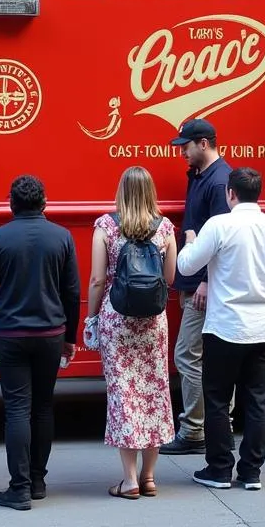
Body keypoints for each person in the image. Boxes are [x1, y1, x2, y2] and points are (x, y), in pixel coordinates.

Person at [0, 175, 80, 510]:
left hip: (11, 335)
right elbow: (72, 292)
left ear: (11, 204)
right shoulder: (62, 237)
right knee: (43, 407)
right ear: (44, 203)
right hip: (50, 334)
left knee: (17, 409)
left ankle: (19, 487)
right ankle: (39, 481)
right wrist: (70, 337)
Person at [175, 167, 265, 490]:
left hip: (225, 328)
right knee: (257, 400)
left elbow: (186, 265)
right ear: (259, 194)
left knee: (216, 398)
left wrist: (190, 240)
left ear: (230, 194)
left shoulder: (219, 225)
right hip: (264, 328)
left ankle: (218, 469)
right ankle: (251, 472)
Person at [86, 166, 177, 498]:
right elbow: (169, 280)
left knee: (123, 395)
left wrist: (91, 318)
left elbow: (97, 280)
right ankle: (150, 477)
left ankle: (130, 480)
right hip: (153, 322)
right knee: (153, 392)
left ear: (121, 191)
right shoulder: (165, 228)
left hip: (117, 319)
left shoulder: (106, 227)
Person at [160, 118, 231, 457]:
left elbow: (223, 238)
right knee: (205, 356)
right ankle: (216, 425)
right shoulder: (203, 176)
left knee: (187, 354)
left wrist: (205, 281)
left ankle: (193, 430)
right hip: (195, 281)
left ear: (203, 143)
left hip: (205, 285)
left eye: (185, 146)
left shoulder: (218, 182)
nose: (181, 153)